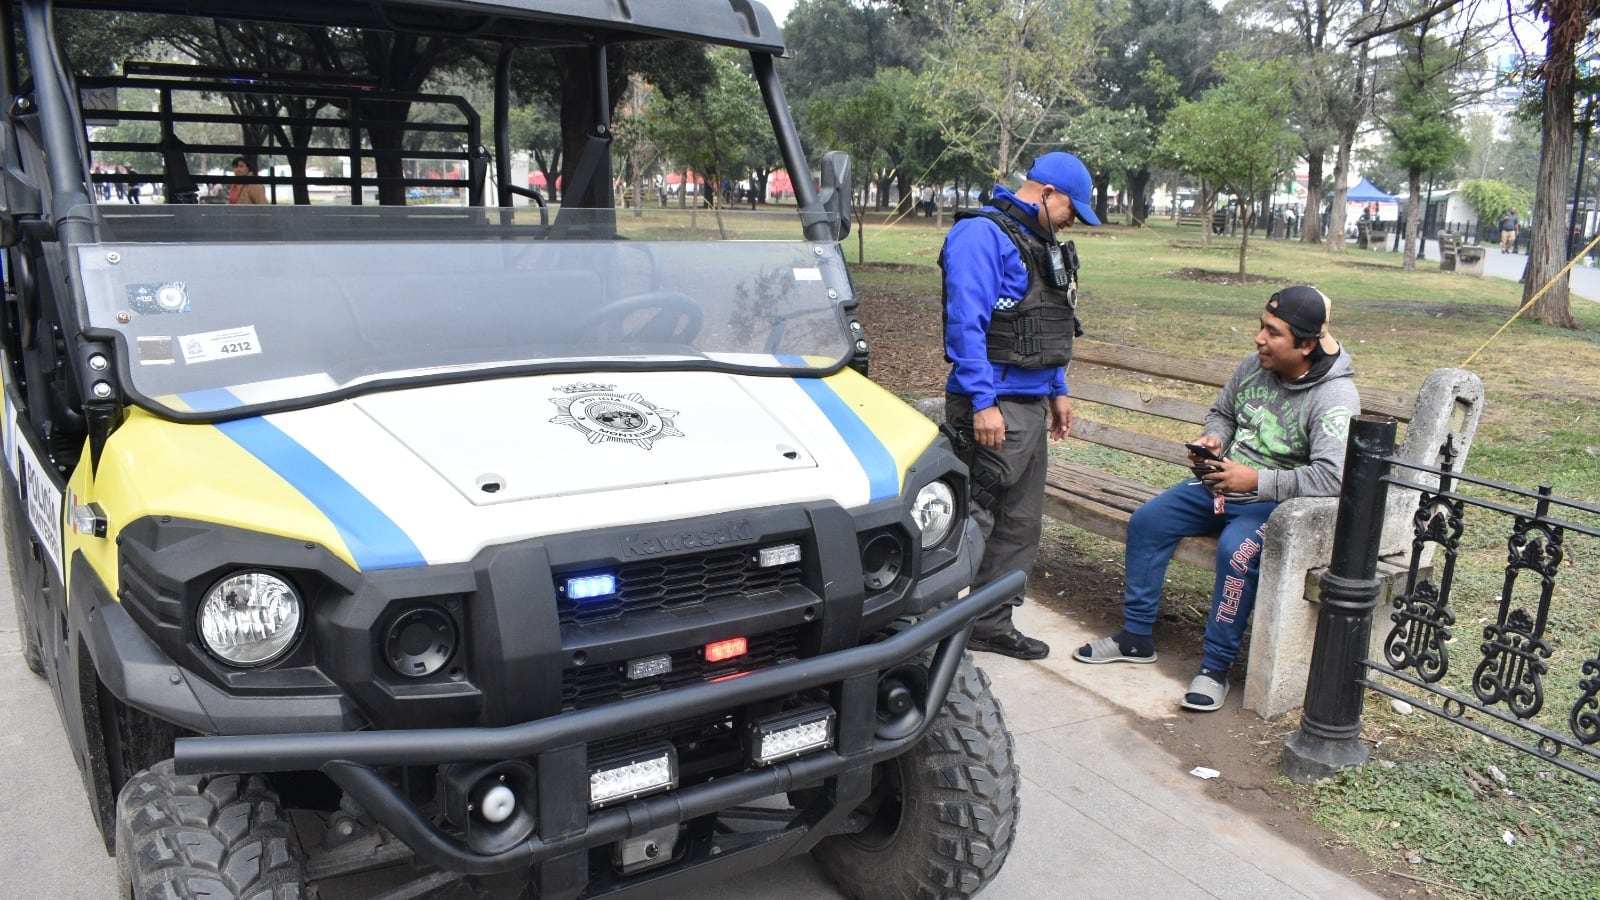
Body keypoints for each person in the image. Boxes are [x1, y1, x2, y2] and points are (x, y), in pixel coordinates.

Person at [1073, 286, 1359, 711]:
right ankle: (1135, 637)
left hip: (1274, 505)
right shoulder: (1254, 366)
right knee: (1148, 521)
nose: (1259, 339)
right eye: (1261, 326)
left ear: (1305, 345)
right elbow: (1223, 413)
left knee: (1235, 552)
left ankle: (1214, 667)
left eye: (1273, 332)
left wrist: (1256, 481)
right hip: (1221, 484)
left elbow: (1333, 477)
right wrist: (1215, 439)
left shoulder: (1335, 398)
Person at [942, 151, 1101, 660]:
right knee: (974, 519)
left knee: (1021, 523)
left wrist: (1058, 389)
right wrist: (982, 402)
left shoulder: (1040, 241)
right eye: (1072, 209)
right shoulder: (981, 236)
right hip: (993, 405)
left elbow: (1048, 323)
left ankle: (989, 623)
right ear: (1047, 193)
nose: (1073, 221)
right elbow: (966, 326)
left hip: (1030, 405)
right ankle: (929, 624)